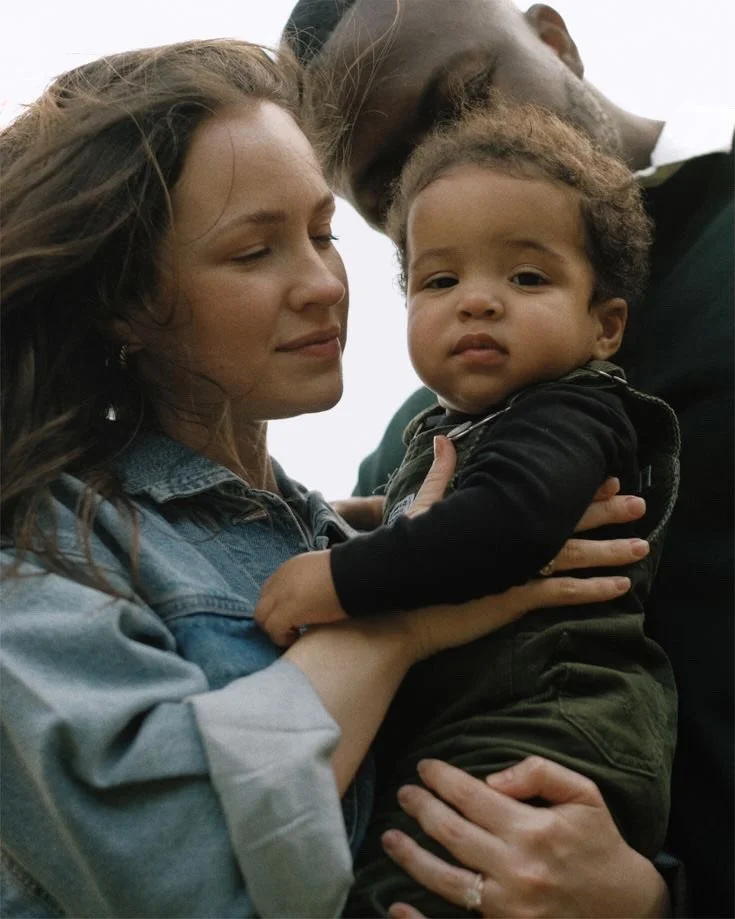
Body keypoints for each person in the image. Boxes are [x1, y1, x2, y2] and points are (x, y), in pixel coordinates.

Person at [0, 38, 646, 919]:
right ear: (125, 306)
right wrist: (395, 624)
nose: (322, 285)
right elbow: (181, 877)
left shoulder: (357, 531)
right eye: (251, 251)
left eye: (321, 232)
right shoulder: (45, 553)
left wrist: (639, 898)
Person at [282, 1, 734, 916]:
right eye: (391, 181)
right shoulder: (422, 438)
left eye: (464, 99)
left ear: (553, 40)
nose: (459, 161)